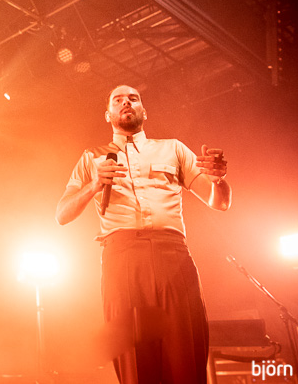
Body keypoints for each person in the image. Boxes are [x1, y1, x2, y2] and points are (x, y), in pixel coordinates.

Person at [56, 85, 231, 384]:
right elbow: (62, 215)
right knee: (135, 361)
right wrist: (93, 185)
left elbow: (220, 202)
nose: (126, 102)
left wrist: (219, 180)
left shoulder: (173, 149)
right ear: (108, 114)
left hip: (172, 256)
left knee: (185, 354)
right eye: (118, 100)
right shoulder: (91, 157)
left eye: (133, 99)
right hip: (121, 258)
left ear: (144, 111)